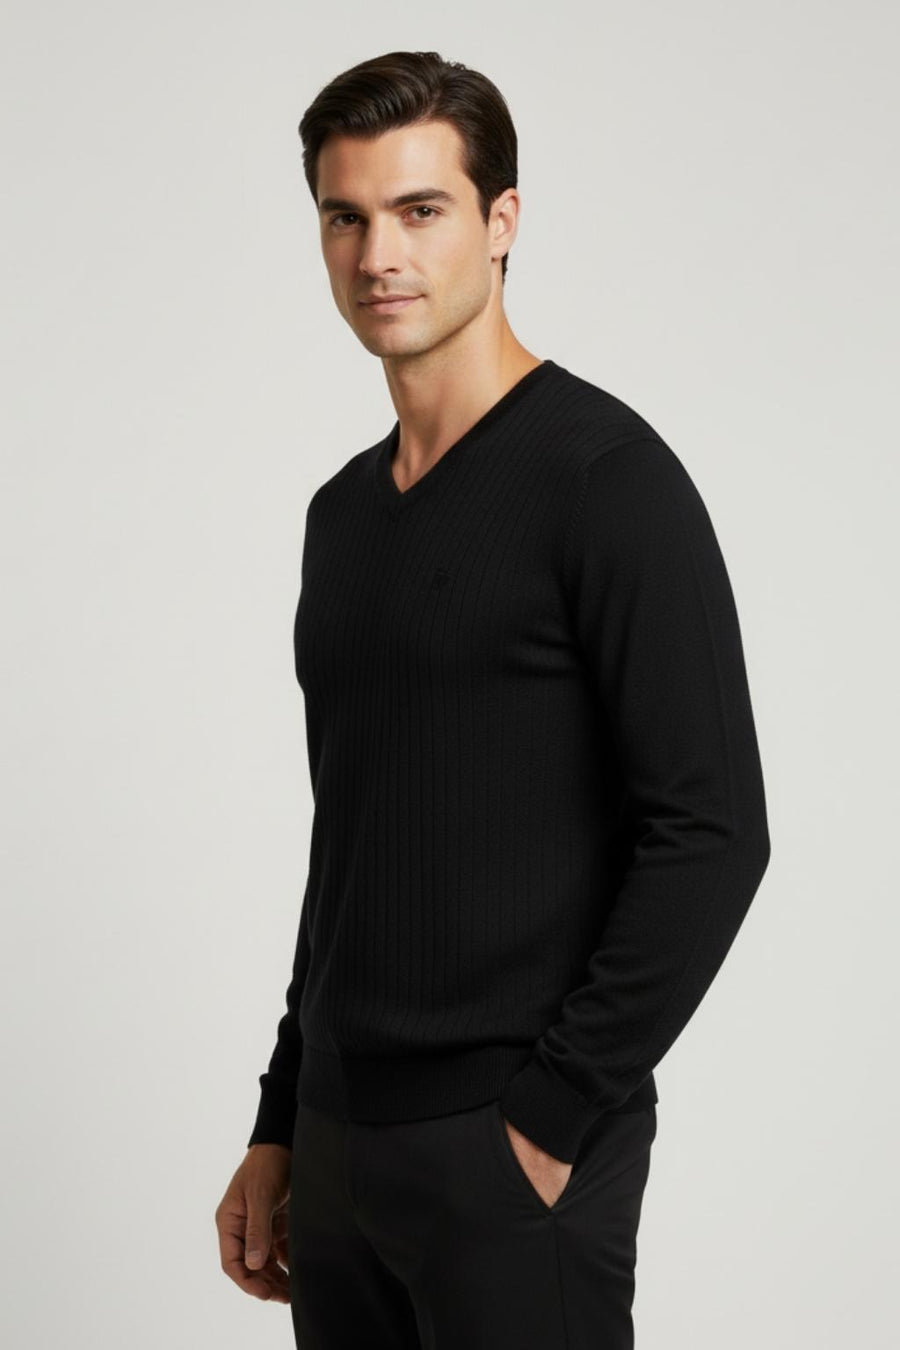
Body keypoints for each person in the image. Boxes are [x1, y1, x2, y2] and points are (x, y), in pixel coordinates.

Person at [214, 49, 771, 1350]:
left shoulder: (607, 479)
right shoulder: (343, 517)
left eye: (421, 210)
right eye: (345, 217)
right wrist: (283, 1117)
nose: (378, 256)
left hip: (510, 1151)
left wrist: (553, 1114)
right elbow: (351, 843)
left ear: (501, 220)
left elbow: (712, 831)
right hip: (339, 1144)